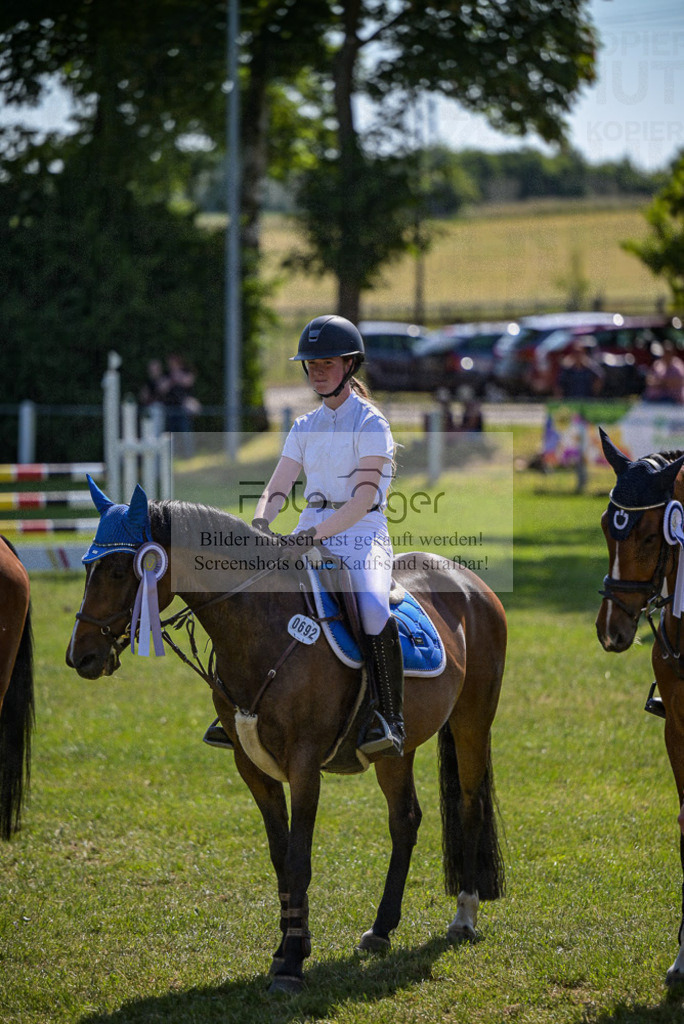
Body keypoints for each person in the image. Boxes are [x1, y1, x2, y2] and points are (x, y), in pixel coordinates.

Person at [204, 314, 406, 758]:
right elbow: (277, 487)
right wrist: (260, 524)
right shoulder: (303, 427)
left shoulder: (371, 425)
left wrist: (312, 535)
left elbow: (361, 501)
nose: (317, 371)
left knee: (374, 608)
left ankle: (388, 717)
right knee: (256, 594)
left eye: (327, 363)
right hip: (308, 528)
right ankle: (237, 706)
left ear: (350, 365)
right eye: (311, 364)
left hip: (362, 533)